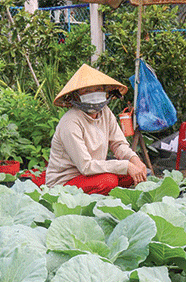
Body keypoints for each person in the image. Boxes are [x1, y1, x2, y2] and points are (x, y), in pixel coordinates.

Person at [45, 64, 147, 195]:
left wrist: (134, 160)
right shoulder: (70, 122)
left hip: (93, 173)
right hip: (66, 181)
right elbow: (86, 167)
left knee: (132, 174)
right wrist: (125, 166)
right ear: (76, 96)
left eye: (98, 89)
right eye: (87, 91)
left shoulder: (105, 113)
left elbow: (118, 144)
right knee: (109, 181)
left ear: (105, 92)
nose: (93, 94)